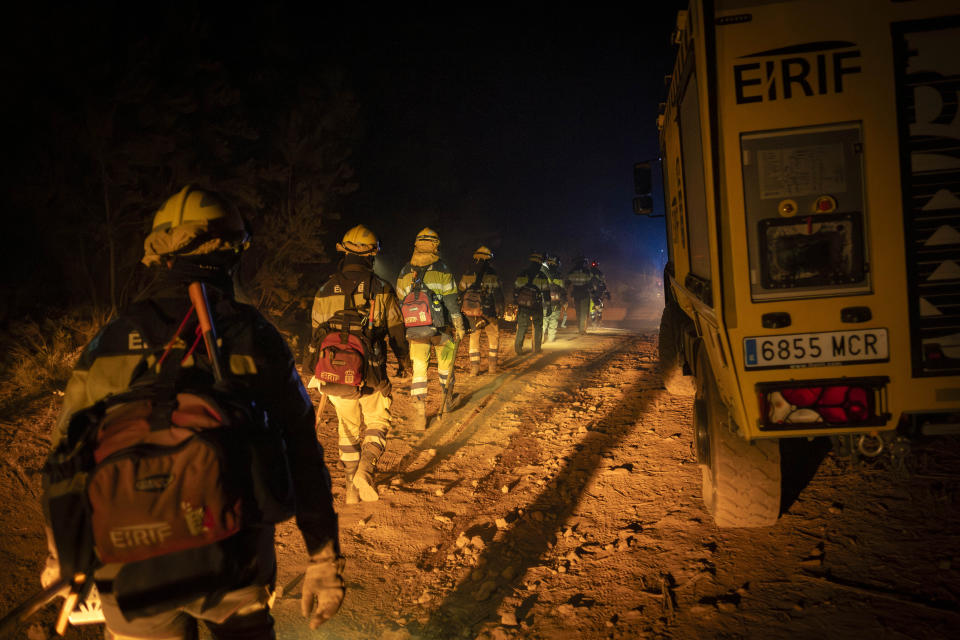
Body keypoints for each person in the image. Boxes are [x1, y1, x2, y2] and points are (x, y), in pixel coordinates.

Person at [44, 185, 344, 638]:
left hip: (129, 574)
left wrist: (60, 556)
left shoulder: (111, 338)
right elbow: (302, 451)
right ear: (234, 252)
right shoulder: (255, 337)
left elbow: (66, 453)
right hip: (234, 568)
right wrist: (323, 558)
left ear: (160, 252)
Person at [308, 224, 410, 504]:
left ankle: (350, 488)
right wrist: (403, 361)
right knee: (378, 420)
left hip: (335, 375)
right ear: (373, 253)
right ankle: (365, 471)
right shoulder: (382, 288)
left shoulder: (325, 289)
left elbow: (316, 332)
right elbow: (397, 330)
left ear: (343, 250)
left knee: (347, 427)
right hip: (372, 375)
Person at [396, 228, 466, 430]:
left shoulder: (404, 271)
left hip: (415, 330)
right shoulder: (442, 269)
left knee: (419, 370)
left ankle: (419, 413)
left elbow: (401, 300)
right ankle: (447, 402)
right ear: (436, 245)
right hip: (440, 329)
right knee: (445, 365)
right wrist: (459, 325)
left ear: (416, 245)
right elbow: (452, 300)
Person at [458, 245, 505, 375]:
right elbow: (498, 294)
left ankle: (474, 368)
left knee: (474, 338)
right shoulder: (492, 273)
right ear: (489, 258)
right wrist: (500, 309)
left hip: (472, 313)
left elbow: (461, 291)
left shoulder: (468, 272)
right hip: (488, 312)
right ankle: (492, 367)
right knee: (493, 338)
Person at [512, 252, 549, 355]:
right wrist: (548, 306)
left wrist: (516, 301)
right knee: (538, 326)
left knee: (522, 326)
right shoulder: (542, 276)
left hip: (523, 305)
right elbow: (546, 292)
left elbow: (516, 289)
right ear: (540, 262)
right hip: (536, 305)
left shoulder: (522, 273)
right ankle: (536, 348)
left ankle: (518, 349)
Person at [566, 255, 594, 335]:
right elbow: (590, 284)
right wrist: (593, 292)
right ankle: (582, 330)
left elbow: (567, 283)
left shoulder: (572, 271)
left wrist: (566, 291)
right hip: (584, 294)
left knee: (578, 312)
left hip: (576, 294)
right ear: (583, 262)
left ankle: (579, 328)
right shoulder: (586, 271)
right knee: (584, 313)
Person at [541, 253, 566, 343]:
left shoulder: (542, 273)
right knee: (553, 321)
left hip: (544, 302)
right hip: (556, 302)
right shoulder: (559, 275)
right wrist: (564, 301)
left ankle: (540, 338)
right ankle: (551, 339)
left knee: (544, 320)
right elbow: (563, 290)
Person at [589, 259, 611, 328]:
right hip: (599, 292)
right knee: (599, 308)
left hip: (592, 293)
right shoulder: (600, 273)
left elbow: (587, 283)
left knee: (592, 308)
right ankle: (598, 321)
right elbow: (603, 283)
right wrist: (606, 292)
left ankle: (594, 322)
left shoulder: (589, 273)